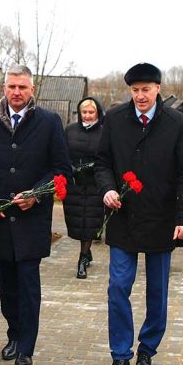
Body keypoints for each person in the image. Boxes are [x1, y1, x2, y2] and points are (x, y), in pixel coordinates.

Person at [95, 63, 183, 365]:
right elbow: (102, 163)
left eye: (146, 89)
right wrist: (108, 188)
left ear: (157, 89)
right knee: (118, 287)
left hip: (161, 219)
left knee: (157, 291)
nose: (140, 96)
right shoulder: (114, 119)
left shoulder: (177, 123)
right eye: (135, 90)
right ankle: (120, 355)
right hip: (124, 219)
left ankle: (147, 351)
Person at [0, 64, 71, 365]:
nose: (17, 92)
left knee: (27, 285)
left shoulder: (49, 122)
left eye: (23, 87)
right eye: (12, 87)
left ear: (32, 89)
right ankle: (13, 333)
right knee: (7, 287)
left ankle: (26, 348)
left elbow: (61, 169)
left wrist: (37, 193)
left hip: (31, 221)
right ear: (4, 89)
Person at [63, 97, 106, 278]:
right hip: (75, 184)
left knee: (90, 222)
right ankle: (86, 252)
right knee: (76, 221)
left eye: (91, 112)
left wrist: (94, 167)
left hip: (95, 184)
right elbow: (62, 153)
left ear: (98, 113)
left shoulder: (105, 132)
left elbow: (107, 157)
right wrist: (69, 168)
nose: (87, 116)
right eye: (84, 112)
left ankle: (82, 259)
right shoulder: (70, 130)